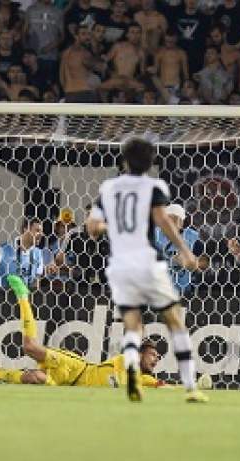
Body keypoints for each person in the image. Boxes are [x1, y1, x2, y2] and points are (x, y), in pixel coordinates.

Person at [85, 136, 206, 404]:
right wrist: (186, 252)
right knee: (175, 322)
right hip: (149, 262)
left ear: (124, 160)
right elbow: (163, 221)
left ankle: (131, 379)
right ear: (151, 163)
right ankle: (190, 387)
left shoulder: (109, 188)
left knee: (132, 326)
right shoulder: (154, 186)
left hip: (121, 265)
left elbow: (92, 229)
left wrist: (114, 226)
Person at [0, 274, 167, 389]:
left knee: (33, 377)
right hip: (76, 368)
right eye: (154, 354)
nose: (157, 359)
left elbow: (166, 389)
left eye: (158, 357)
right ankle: (23, 296)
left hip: (67, 385)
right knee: (30, 347)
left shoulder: (144, 380)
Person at [0, 217, 46, 287]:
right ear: (26, 229)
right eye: (37, 230)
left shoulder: (38, 254)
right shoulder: (4, 249)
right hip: (0, 296)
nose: (41, 234)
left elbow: (35, 280)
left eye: (42, 232)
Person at [153, 204, 206, 295]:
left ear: (182, 222)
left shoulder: (192, 237)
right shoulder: (154, 235)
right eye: (168, 219)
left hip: (183, 293)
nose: (171, 222)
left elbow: (205, 263)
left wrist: (189, 262)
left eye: (175, 219)